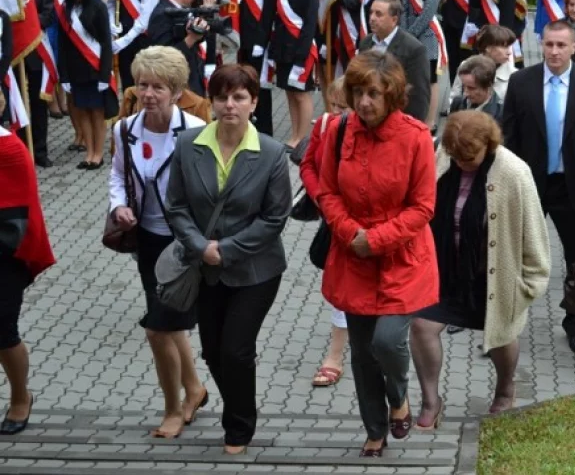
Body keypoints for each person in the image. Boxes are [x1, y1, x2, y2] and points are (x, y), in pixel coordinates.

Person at [165, 64, 292, 455]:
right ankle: (239, 406)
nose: (229, 105)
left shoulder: (271, 153)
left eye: (239, 97)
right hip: (204, 266)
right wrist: (200, 246)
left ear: (254, 102)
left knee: (236, 349)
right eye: (221, 97)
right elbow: (176, 205)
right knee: (212, 351)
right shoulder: (188, 144)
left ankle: (238, 425)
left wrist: (227, 249)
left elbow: (275, 217)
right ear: (212, 102)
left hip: (256, 269)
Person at [316, 52, 437, 457]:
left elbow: (423, 207)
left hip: (403, 257)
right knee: (363, 353)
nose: (364, 102)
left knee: (387, 342)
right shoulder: (339, 130)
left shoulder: (415, 136)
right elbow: (326, 191)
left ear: (393, 95)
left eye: (373, 93)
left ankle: (399, 397)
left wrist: (378, 238)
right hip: (353, 256)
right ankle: (374, 429)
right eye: (357, 93)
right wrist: (352, 233)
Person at [412, 111, 549, 418]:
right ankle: (431, 401)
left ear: (489, 144)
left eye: (469, 158)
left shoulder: (514, 172)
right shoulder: (445, 156)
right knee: (421, 327)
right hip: (445, 269)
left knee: (501, 336)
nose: (462, 163)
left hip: (492, 277)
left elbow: (534, 231)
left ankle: (505, 390)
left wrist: (530, 285)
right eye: (456, 157)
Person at [108, 47, 208, 439]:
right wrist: (119, 205)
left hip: (182, 244)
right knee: (168, 324)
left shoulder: (196, 130)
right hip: (146, 240)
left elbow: (207, 188)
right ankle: (195, 389)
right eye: (142, 85)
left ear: (177, 91)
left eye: (158, 87)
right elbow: (118, 175)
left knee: (158, 329)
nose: (148, 94)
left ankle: (172, 409)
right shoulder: (124, 129)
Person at [502, 20, 575, 353]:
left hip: (574, 186)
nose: (554, 51)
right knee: (515, 257)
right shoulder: (521, 81)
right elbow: (508, 137)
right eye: (549, 44)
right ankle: (504, 326)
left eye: (562, 45)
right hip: (530, 184)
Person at [0, 90, 55, 437]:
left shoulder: (10, 150)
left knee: (3, 331)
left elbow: (17, 215)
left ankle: (20, 396)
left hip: (6, 253)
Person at [299, 78, 349, 387]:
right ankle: (336, 354)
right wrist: (321, 197)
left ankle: (342, 352)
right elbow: (307, 165)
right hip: (332, 218)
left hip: (363, 221)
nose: (338, 113)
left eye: (346, 107)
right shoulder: (325, 124)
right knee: (339, 283)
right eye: (335, 105)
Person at [57, 0, 116, 169]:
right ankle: (88, 153)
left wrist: (105, 75)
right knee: (82, 111)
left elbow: (106, 43)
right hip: (75, 70)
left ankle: (98, 154)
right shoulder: (65, 9)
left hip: (95, 67)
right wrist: (64, 75)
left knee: (97, 113)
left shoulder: (98, 7)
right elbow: (62, 46)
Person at [269, 0, 318, 149]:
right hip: (283, 49)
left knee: (301, 93)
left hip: (300, 50)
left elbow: (309, 27)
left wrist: (301, 56)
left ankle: (303, 138)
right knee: (289, 93)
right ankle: (294, 134)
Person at [359, 0, 430, 123]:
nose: (372, 18)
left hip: (396, 120)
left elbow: (418, 97)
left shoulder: (414, 49)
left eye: (378, 14)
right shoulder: (366, 43)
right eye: (371, 13)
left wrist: (409, 126)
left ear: (394, 20)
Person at [236, 0, 278, 136]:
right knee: (245, 83)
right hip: (244, 38)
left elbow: (269, 10)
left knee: (261, 85)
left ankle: (265, 130)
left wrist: (261, 41)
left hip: (259, 40)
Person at [146, 0, 212, 97]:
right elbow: (164, 56)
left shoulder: (181, 9)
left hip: (191, 80)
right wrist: (191, 38)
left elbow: (198, 36)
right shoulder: (162, 14)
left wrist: (204, 17)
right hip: (176, 87)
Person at [402, 0, 446, 132]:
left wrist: (410, 34)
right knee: (412, 77)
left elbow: (428, 12)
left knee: (430, 80)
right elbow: (405, 6)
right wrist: (404, 30)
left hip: (428, 35)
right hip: (409, 33)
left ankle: (430, 121)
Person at [17, 0, 54, 167]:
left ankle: (39, 150)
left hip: (37, 49)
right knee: (17, 103)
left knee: (39, 103)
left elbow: (49, 14)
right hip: (15, 52)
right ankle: (22, 148)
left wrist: (27, 24)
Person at [450, 55, 504, 124]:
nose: (466, 93)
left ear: (488, 86)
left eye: (471, 88)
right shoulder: (457, 103)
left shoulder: (501, 115)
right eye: (463, 86)